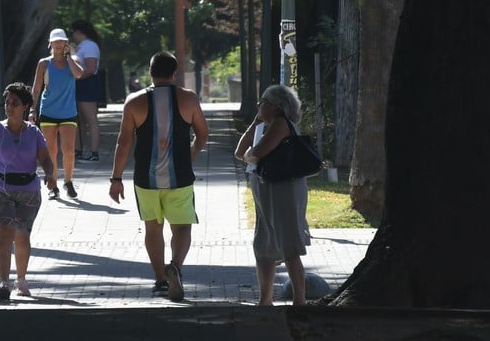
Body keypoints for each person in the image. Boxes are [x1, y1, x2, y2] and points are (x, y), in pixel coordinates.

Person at [108, 51, 209, 301]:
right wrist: (191, 154)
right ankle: (175, 265)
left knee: (153, 228)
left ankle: (161, 281)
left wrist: (116, 178)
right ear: (174, 73)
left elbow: (123, 142)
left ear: (150, 72)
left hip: (145, 178)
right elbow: (203, 134)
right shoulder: (189, 99)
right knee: (183, 227)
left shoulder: (134, 102)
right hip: (180, 177)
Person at [0, 83, 57, 300]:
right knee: (3, 235)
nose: (10, 107)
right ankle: (4, 282)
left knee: (22, 236)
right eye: (8, 102)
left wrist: (49, 173)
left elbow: (45, 157)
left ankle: (21, 278)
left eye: (15, 103)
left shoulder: (34, 133)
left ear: (25, 106)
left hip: (28, 190)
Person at [234, 84, 311, 306]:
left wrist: (251, 155)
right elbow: (240, 152)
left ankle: (300, 300)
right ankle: (265, 300)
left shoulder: (280, 125)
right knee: (264, 244)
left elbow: (256, 153)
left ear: (277, 106)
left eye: (264, 102)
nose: (260, 105)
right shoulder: (265, 125)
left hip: (283, 190)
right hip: (265, 191)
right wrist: (255, 122)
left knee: (288, 244)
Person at [31, 28, 84, 199]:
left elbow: (79, 74)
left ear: (66, 43)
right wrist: (32, 109)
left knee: (68, 149)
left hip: (68, 112)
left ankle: (68, 181)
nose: (59, 44)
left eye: (62, 41)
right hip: (48, 112)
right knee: (51, 150)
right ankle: (52, 184)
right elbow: (37, 88)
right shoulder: (44, 63)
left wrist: (69, 57)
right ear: (51, 43)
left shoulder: (73, 60)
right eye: (56, 41)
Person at [70, 19, 102, 162]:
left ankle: (94, 152)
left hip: (87, 84)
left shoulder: (90, 46)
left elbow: (91, 68)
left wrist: (77, 78)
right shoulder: (81, 46)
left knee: (91, 120)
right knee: (79, 121)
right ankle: (79, 150)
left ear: (79, 32)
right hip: (80, 85)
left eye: (73, 32)